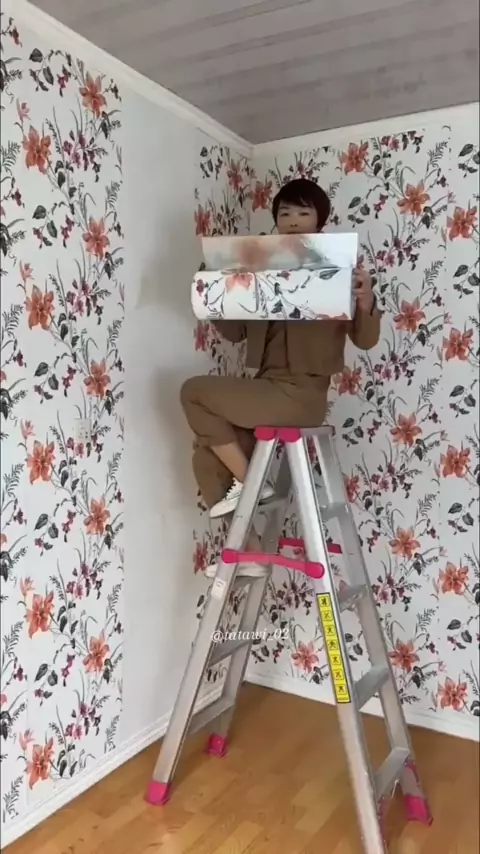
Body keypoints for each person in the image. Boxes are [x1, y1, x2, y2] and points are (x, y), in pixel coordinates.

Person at [181, 178, 381, 578]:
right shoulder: (261, 270)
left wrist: (365, 300)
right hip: (265, 390)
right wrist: (214, 290)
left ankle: (253, 486)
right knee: (206, 459)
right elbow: (236, 332)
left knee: (194, 392)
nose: (292, 220)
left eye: (303, 213)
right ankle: (252, 553)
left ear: (319, 221)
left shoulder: (338, 272)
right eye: (285, 213)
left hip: (301, 395)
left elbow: (365, 340)